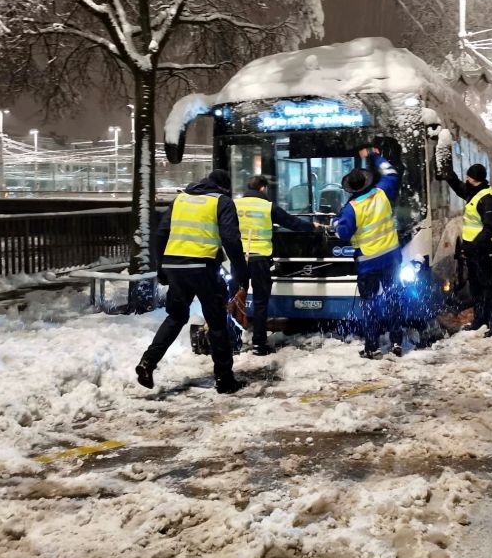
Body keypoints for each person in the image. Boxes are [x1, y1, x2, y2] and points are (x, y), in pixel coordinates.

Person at [135, 169, 250, 394]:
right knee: (217, 323)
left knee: (176, 317)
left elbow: (161, 233)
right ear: (225, 188)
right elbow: (231, 239)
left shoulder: (181, 199)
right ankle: (225, 381)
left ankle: (148, 362)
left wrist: (162, 267)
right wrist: (242, 273)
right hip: (203, 268)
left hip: (176, 268)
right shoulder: (222, 202)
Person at [236, 175, 319, 356]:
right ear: (263, 189)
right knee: (260, 302)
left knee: (236, 299)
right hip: (259, 260)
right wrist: (312, 227)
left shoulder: (234, 205)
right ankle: (259, 344)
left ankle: (232, 339)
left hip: (238, 259)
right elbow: (292, 223)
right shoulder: (267, 207)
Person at [333, 147, 404, 359]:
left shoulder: (351, 208)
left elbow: (343, 233)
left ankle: (372, 347)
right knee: (393, 300)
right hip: (391, 258)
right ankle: (397, 342)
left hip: (368, 264)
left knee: (370, 306)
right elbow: (391, 172)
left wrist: (335, 222)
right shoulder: (382, 192)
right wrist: (375, 155)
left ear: (351, 189)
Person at [438, 163, 492, 336]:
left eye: (468, 177)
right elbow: (461, 189)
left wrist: (472, 246)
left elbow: (490, 228)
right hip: (473, 249)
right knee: (475, 287)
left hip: (482, 249)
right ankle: (480, 320)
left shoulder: (487, 199)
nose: (466, 180)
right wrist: (450, 175)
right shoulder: (475, 192)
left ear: (473, 179)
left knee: (487, 287)